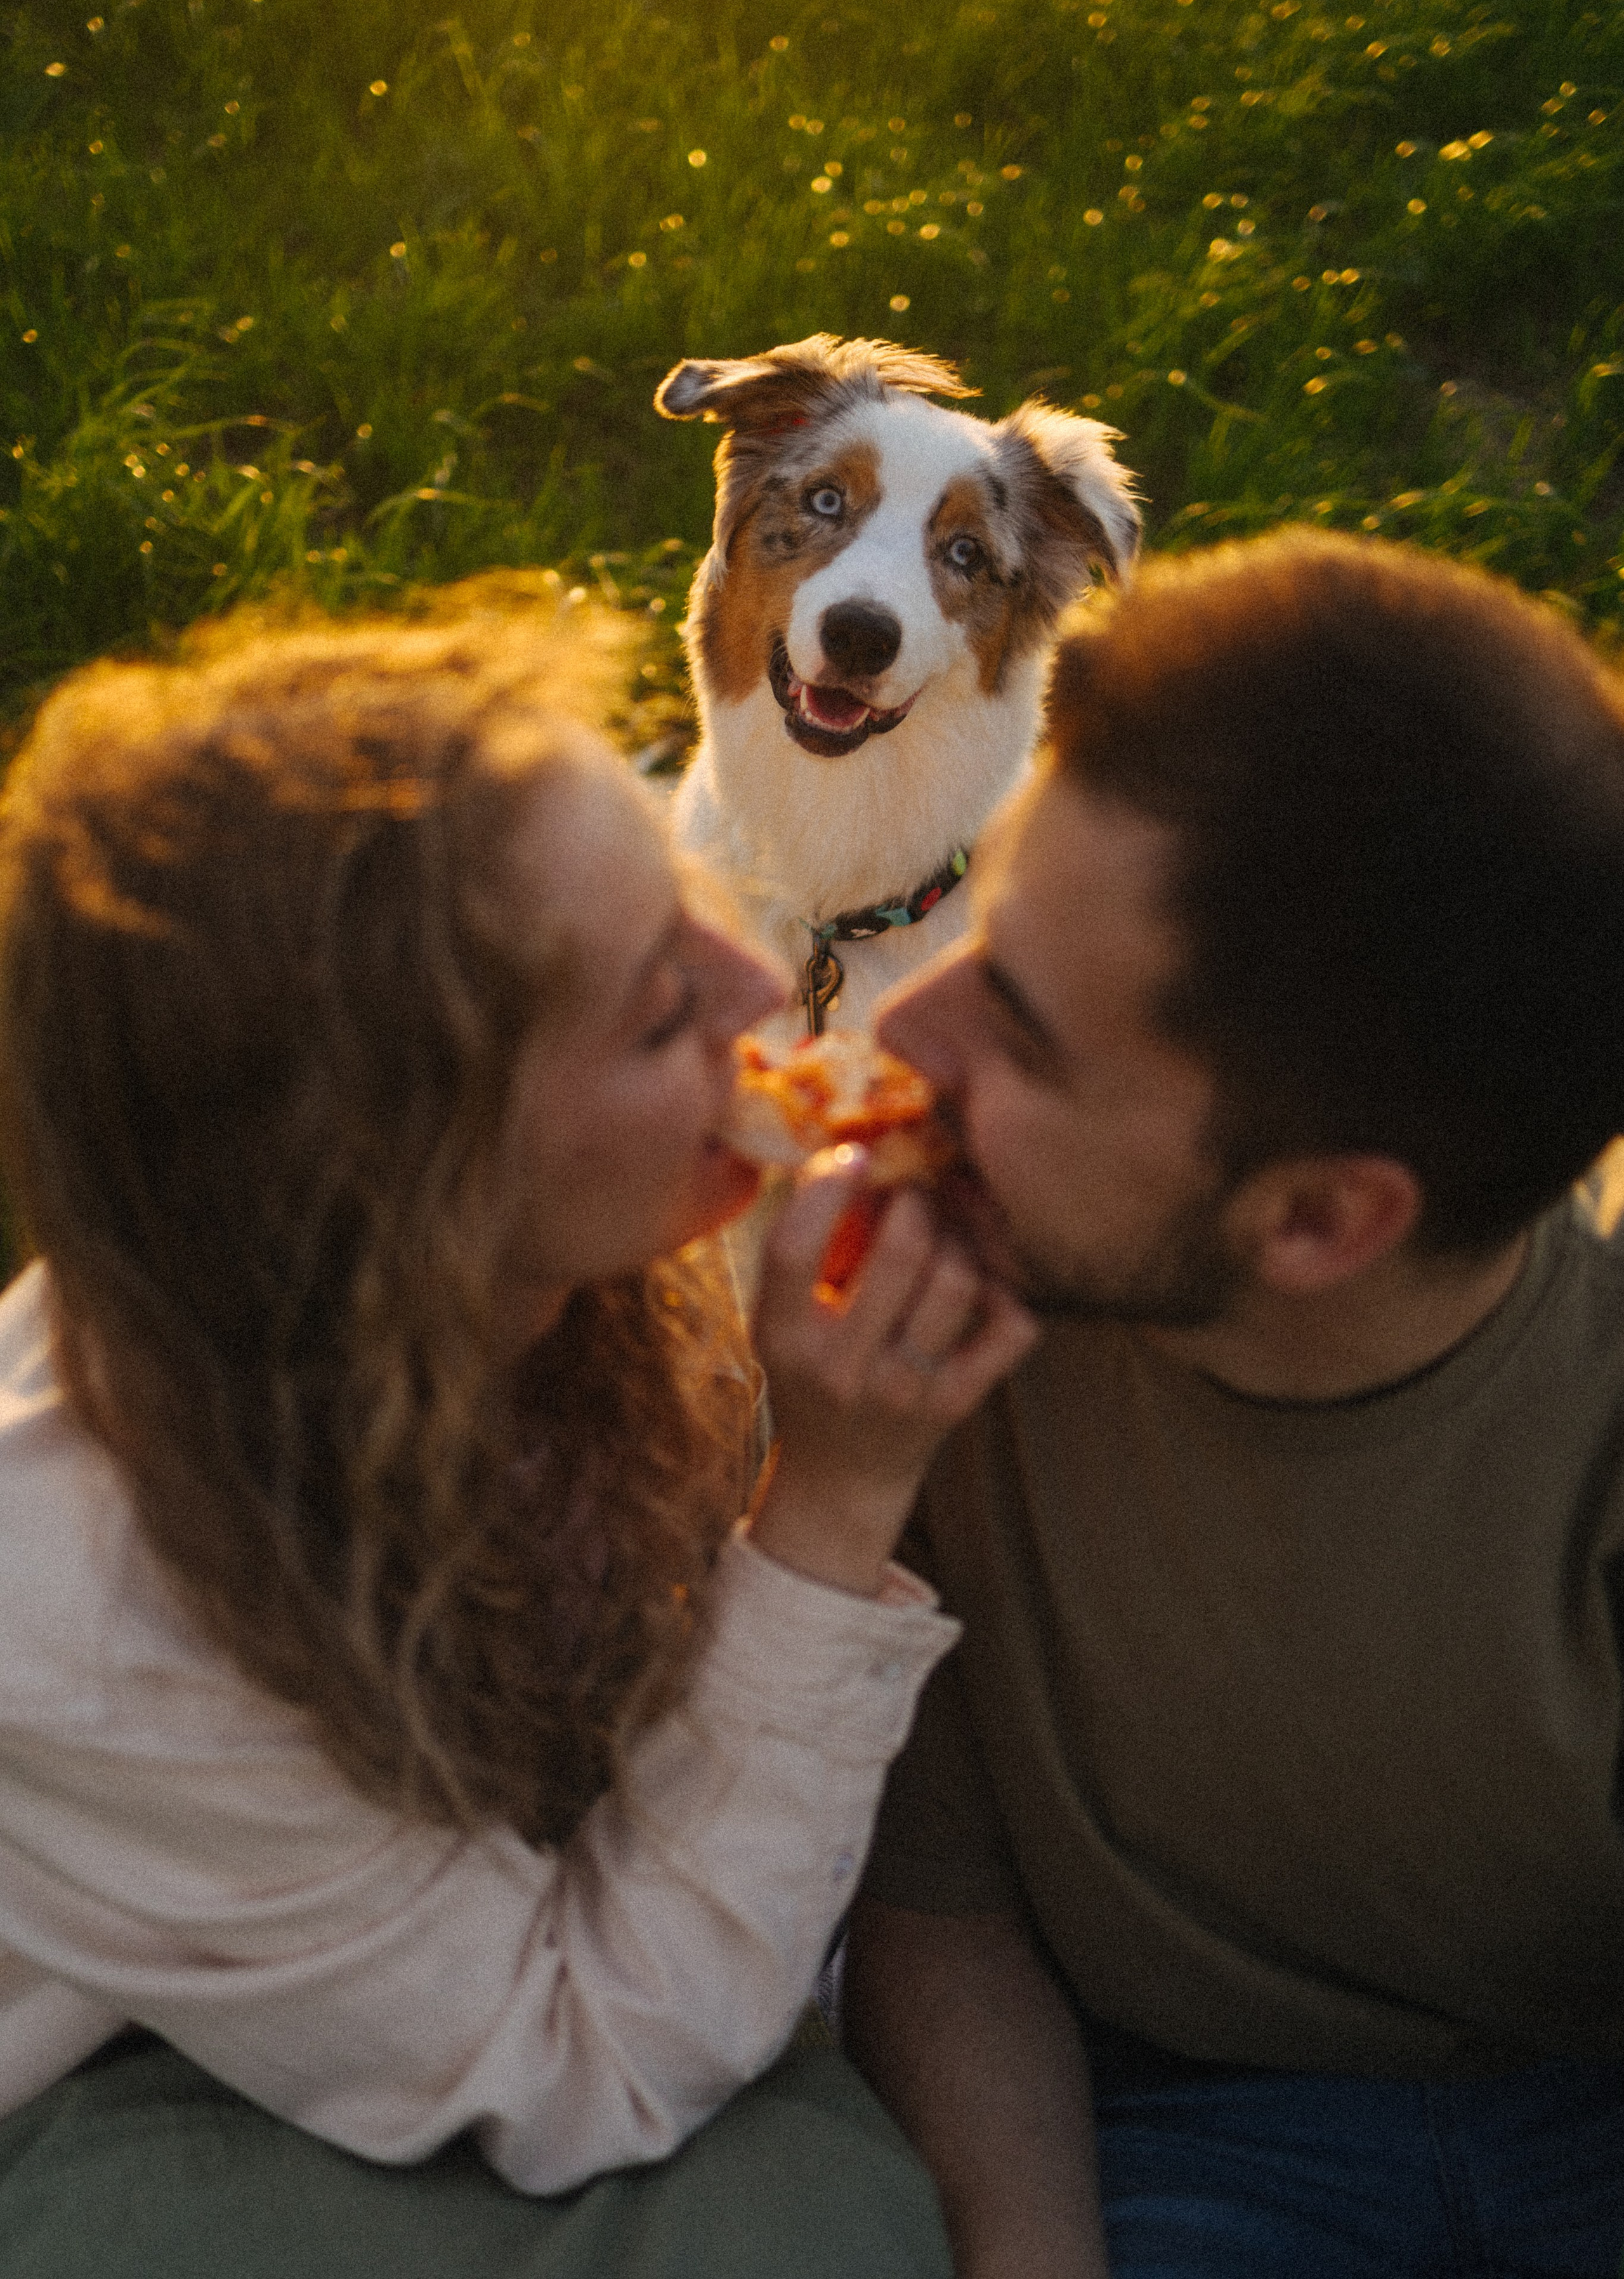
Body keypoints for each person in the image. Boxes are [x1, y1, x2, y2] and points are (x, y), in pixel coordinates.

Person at [0, 621, 1036, 2279]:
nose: (764, 990)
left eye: (685, 898)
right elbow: (586, 2066)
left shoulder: (574, 1250)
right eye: (649, 1018)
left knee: (827, 2215)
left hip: (498, 1967)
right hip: (139, 2089)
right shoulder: (89, 1601)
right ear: (420, 1191)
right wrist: (834, 1503)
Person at [842, 529, 1624, 2279]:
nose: (911, 1034)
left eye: (1026, 1034)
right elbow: (947, 1915)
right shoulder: (944, 1318)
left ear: (1320, 1220)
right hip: (1191, 2116)